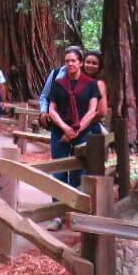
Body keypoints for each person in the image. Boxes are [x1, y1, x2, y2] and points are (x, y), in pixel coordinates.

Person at [46, 47, 99, 188]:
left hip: (82, 134)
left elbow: (92, 111)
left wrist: (76, 130)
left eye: (73, 61)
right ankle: (57, 207)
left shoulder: (91, 84)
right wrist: (65, 128)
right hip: (59, 133)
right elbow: (52, 109)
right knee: (58, 171)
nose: (70, 64)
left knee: (79, 171)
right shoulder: (58, 84)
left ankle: (76, 207)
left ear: (80, 63)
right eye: (67, 61)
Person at [82, 50, 109, 134]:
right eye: (88, 62)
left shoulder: (99, 84)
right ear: (82, 63)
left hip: (91, 127)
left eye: (94, 63)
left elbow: (102, 112)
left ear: (99, 66)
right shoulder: (76, 81)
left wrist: (82, 123)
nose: (90, 65)